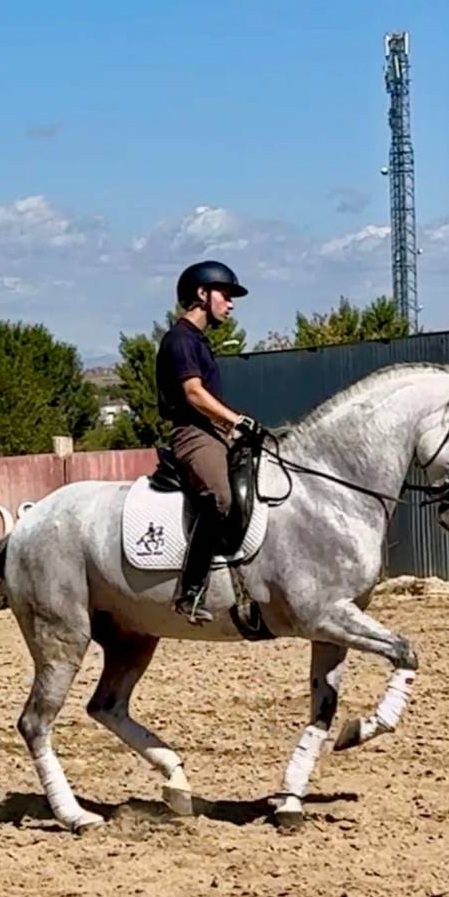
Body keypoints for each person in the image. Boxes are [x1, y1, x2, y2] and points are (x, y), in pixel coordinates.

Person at [156, 260, 261, 624]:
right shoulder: (180, 339)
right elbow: (194, 394)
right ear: (203, 294)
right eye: (226, 295)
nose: (230, 304)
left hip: (213, 432)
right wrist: (236, 420)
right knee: (220, 498)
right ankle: (189, 591)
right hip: (193, 434)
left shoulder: (199, 341)